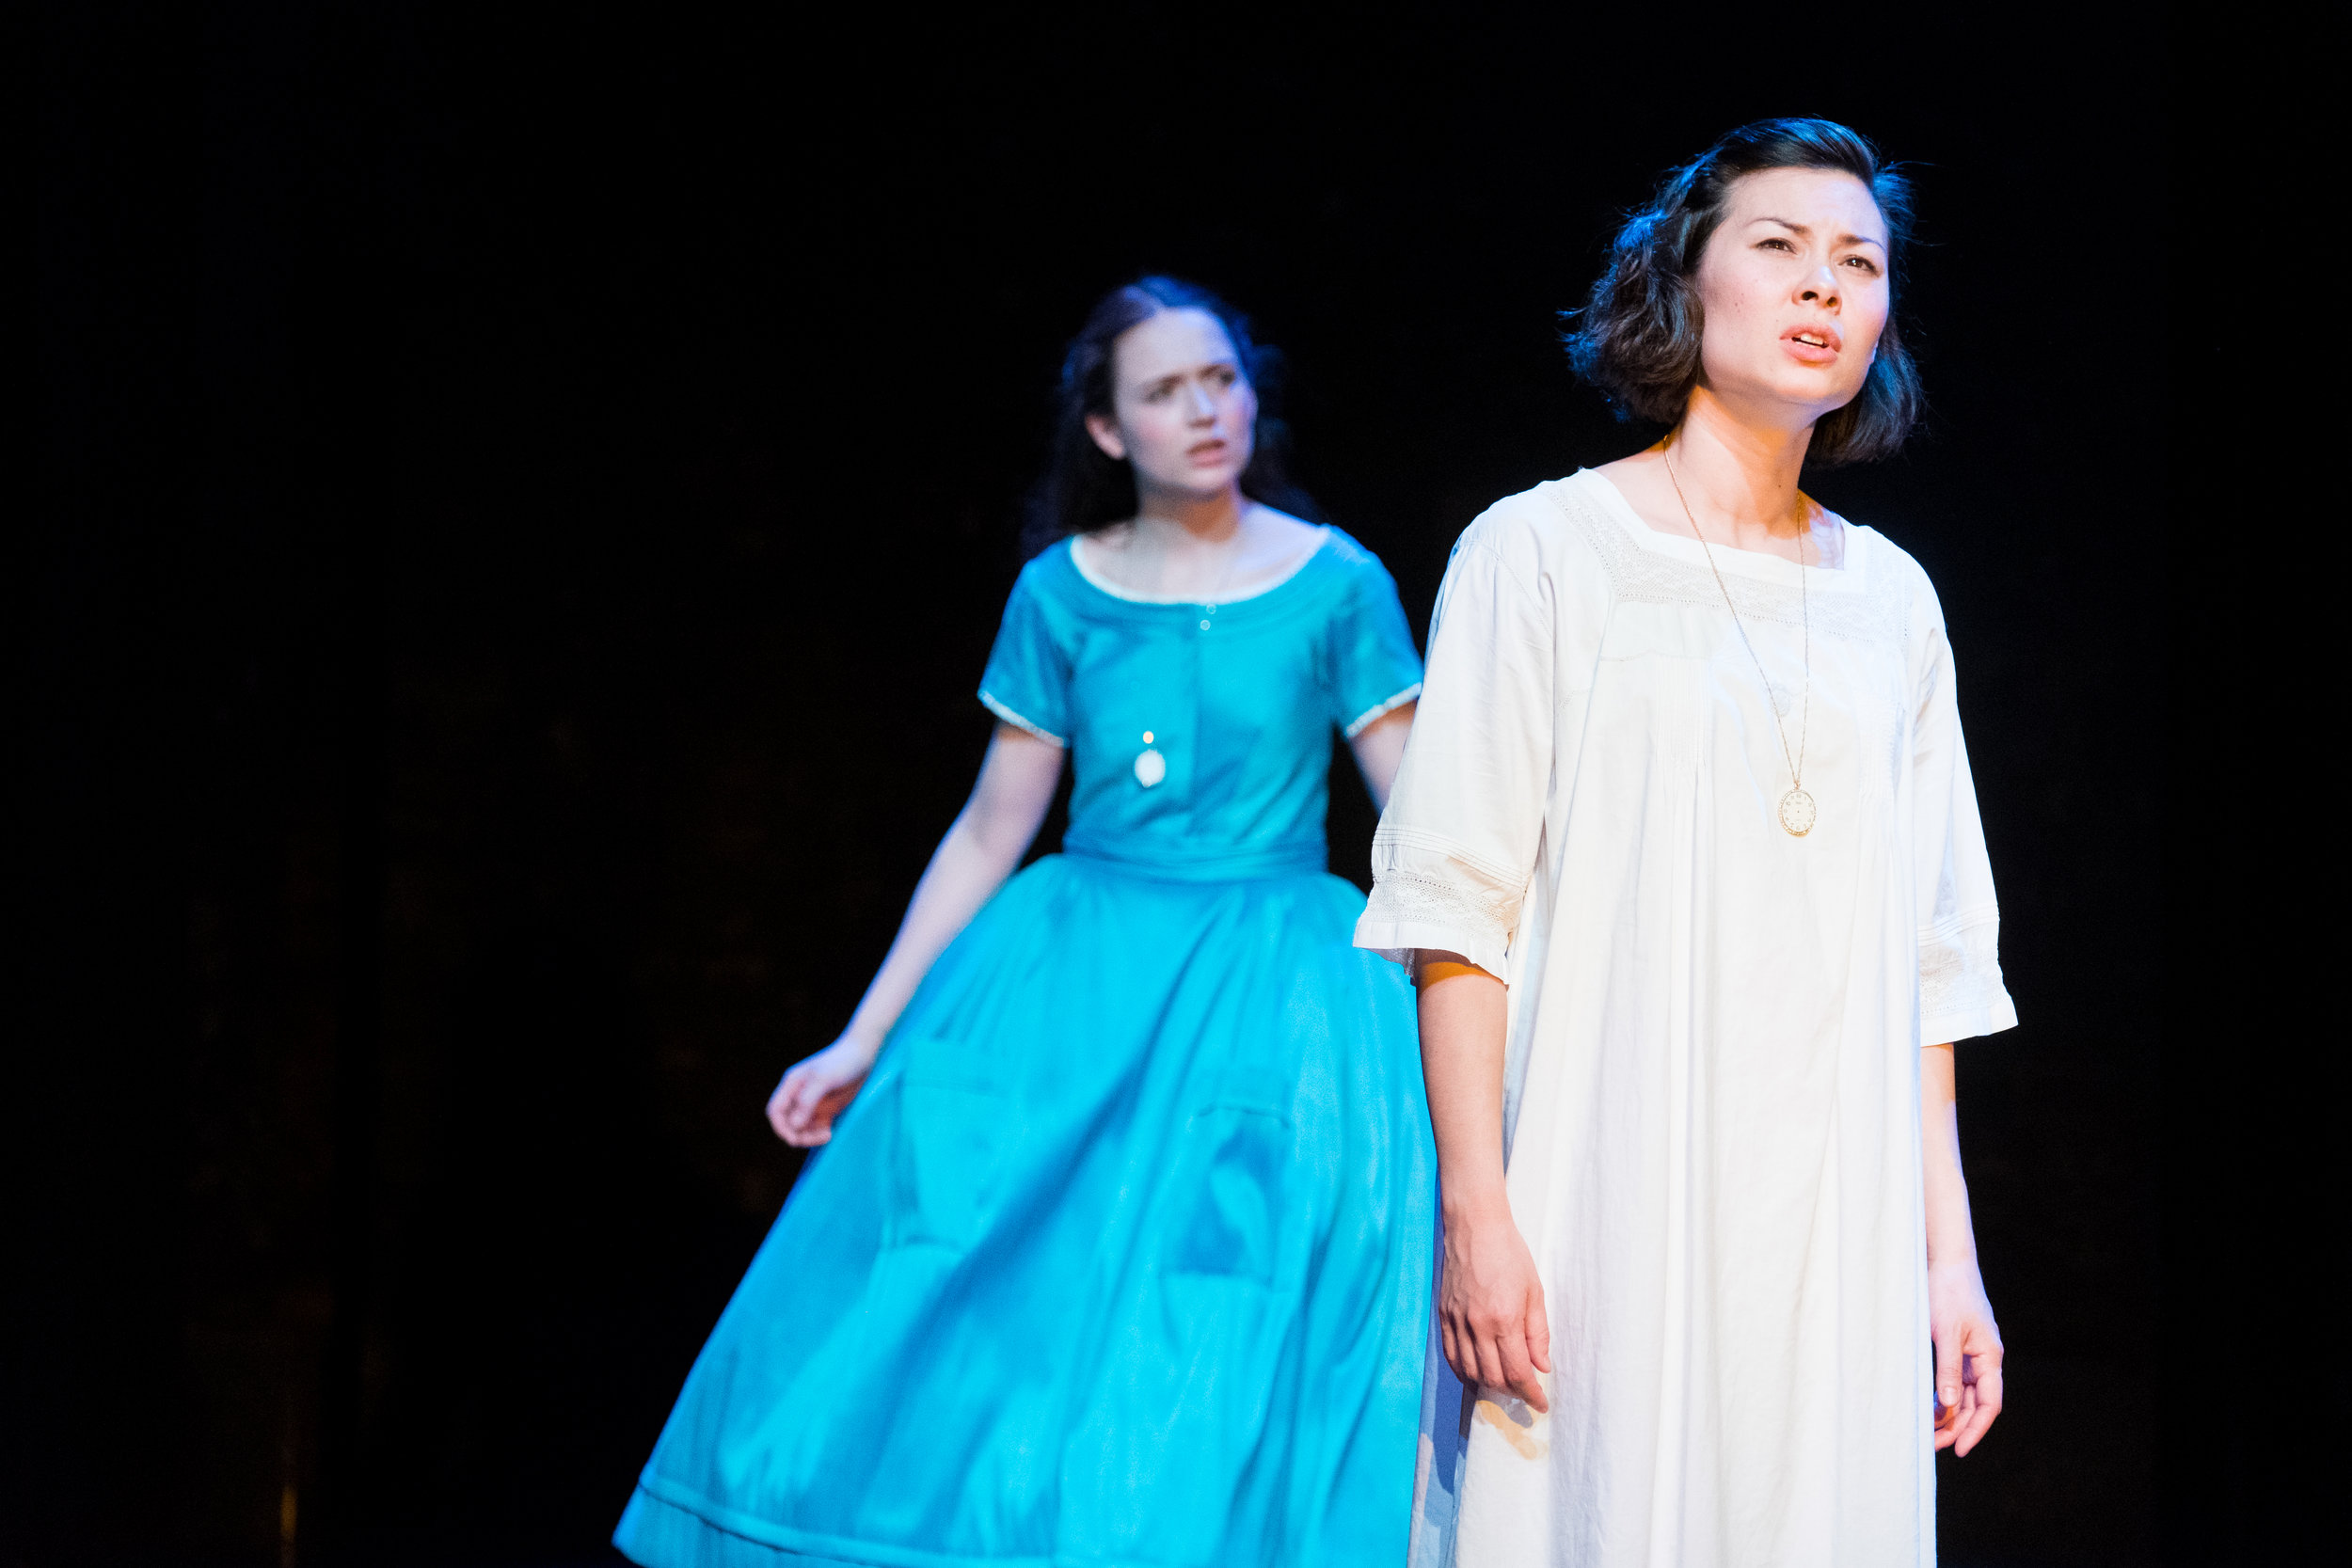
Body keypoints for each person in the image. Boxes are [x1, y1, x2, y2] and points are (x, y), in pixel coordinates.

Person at [616, 277, 1436, 1567]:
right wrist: (860, 1040)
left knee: (1226, 1316)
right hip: (1081, 982)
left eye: (1220, 378)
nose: (1205, 410)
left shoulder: (1335, 583)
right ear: (1107, 430)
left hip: (1271, 991)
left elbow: (1425, 820)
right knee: (1021, 1321)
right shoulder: (1063, 592)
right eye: (1164, 391)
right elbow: (992, 829)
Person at [1357, 119, 2012, 1566]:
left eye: (1858, 261)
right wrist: (1479, 1212)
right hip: (1605, 1187)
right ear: (1686, 282)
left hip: (1832, 1222)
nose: (1822, 286)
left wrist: (1946, 1263)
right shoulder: (1539, 552)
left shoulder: (1892, 601)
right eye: (1777, 246)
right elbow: (1460, 906)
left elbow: (1934, 961)